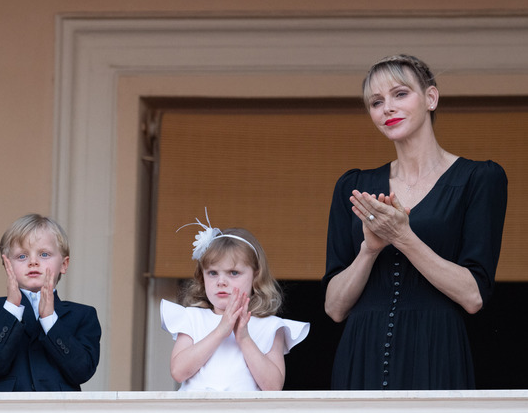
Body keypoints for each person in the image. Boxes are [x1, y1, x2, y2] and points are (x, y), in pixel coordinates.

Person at [323, 54, 508, 390]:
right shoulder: (352, 187)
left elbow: (473, 296)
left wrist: (403, 237)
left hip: (435, 349)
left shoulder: (480, 179)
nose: (387, 108)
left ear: (431, 98)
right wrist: (369, 249)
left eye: (400, 94)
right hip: (360, 351)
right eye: (376, 102)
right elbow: (334, 308)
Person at [161, 211, 309, 391]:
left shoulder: (270, 326)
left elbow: (273, 386)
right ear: (202, 277)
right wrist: (220, 331)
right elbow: (178, 371)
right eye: (213, 273)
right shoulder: (192, 318)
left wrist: (244, 338)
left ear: (255, 276)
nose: (221, 282)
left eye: (233, 273)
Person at [0, 214, 101, 391]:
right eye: (22, 256)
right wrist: (12, 309)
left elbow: (82, 371)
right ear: (6, 264)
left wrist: (50, 320)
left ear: (64, 264)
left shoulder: (84, 315)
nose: (33, 262)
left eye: (44, 254)